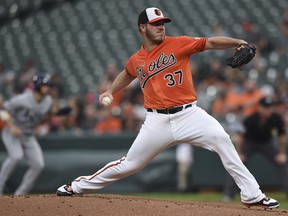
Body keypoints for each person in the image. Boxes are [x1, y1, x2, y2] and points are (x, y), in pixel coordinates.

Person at [56, 7, 279, 209]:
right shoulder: (137, 59)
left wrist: (237, 41)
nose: (161, 26)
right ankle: (77, 186)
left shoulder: (178, 43)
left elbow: (209, 42)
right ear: (142, 28)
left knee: (222, 139)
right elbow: (127, 74)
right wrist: (110, 91)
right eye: (156, 23)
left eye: (163, 23)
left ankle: (252, 194)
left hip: (190, 114)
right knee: (130, 165)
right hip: (157, 121)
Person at [0, 73, 70, 195]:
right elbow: (3, 109)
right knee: (16, 156)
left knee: (38, 164)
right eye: (45, 85)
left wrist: (58, 106)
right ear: (37, 86)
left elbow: (50, 113)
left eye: (49, 85)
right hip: (13, 132)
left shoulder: (47, 101)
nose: (48, 88)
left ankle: (20, 194)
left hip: (28, 135)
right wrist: (11, 127)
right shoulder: (21, 99)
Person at [223, 96, 288, 201]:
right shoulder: (251, 119)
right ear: (260, 108)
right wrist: (239, 153)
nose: (268, 110)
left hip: (266, 142)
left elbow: (282, 136)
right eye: (265, 107)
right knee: (237, 163)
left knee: (281, 163)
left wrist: (282, 153)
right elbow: (241, 136)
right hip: (249, 142)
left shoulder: (276, 118)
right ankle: (228, 194)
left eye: (270, 107)